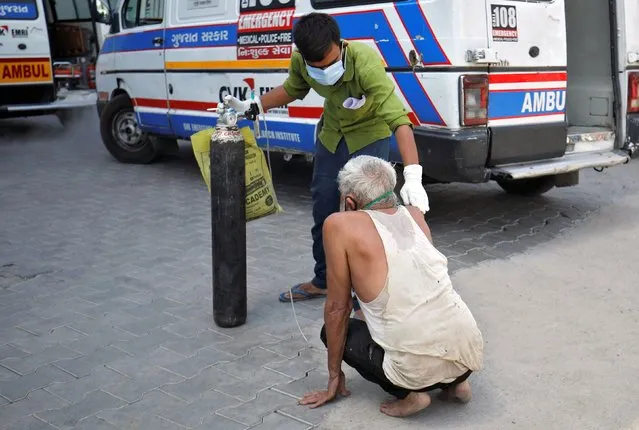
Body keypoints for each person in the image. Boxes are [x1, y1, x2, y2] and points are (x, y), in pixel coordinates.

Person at [224, 12, 430, 303]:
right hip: (332, 136)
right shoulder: (301, 61)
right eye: (318, 66)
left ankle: (367, 288)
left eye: (332, 62)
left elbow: (398, 119)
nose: (326, 69)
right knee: (324, 208)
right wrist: (254, 106)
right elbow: (293, 89)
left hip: (370, 135)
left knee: (367, 214)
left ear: (340, 44)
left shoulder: (364, 61)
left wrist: (413, 176)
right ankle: (323, 279)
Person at [298, 155, 484, 418]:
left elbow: (338, 308)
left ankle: (413, 395)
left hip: (415, 372)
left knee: (333, 332)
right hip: (467, 351)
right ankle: (457, 384)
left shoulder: (339, 224)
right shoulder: (415, 214)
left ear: (350, 202)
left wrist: (334, 376)